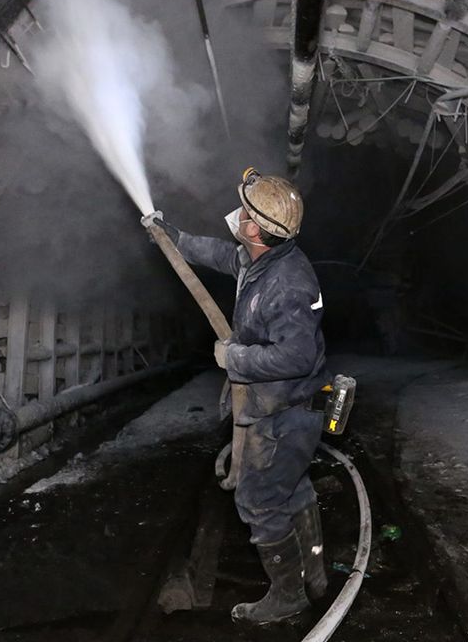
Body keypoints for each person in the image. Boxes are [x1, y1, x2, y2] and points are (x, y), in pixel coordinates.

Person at [143, 167, 329, 624]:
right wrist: (174, 237)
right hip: (282, 405)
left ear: (256, 230)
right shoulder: (260, 258)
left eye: (244, 212)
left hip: (286, 411)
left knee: (259, 501)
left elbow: (297, 356)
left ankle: (289, 597)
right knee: (293, 487)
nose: (238, 215)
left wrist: (236, 358)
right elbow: (222, 255)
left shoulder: (288, 284)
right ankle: (315, 574)